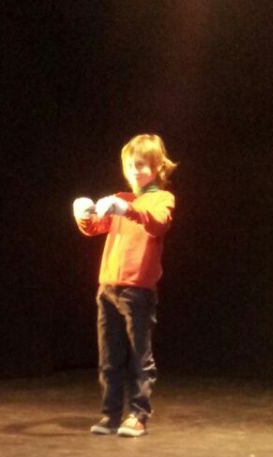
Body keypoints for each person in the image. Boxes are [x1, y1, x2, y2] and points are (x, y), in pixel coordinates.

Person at [72, 134, 176, 438]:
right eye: (130, 165)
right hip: (108, 288)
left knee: (140, 356)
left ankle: (139, 414)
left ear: (157, 167)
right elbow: (95, 228)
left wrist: (127, 209)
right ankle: (110, 415)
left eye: (141, 165)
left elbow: (158, 223)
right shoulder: (121, 198)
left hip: (138, 290)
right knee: (110, 357)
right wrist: (84, 215)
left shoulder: (162, 199)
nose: (134, 171)